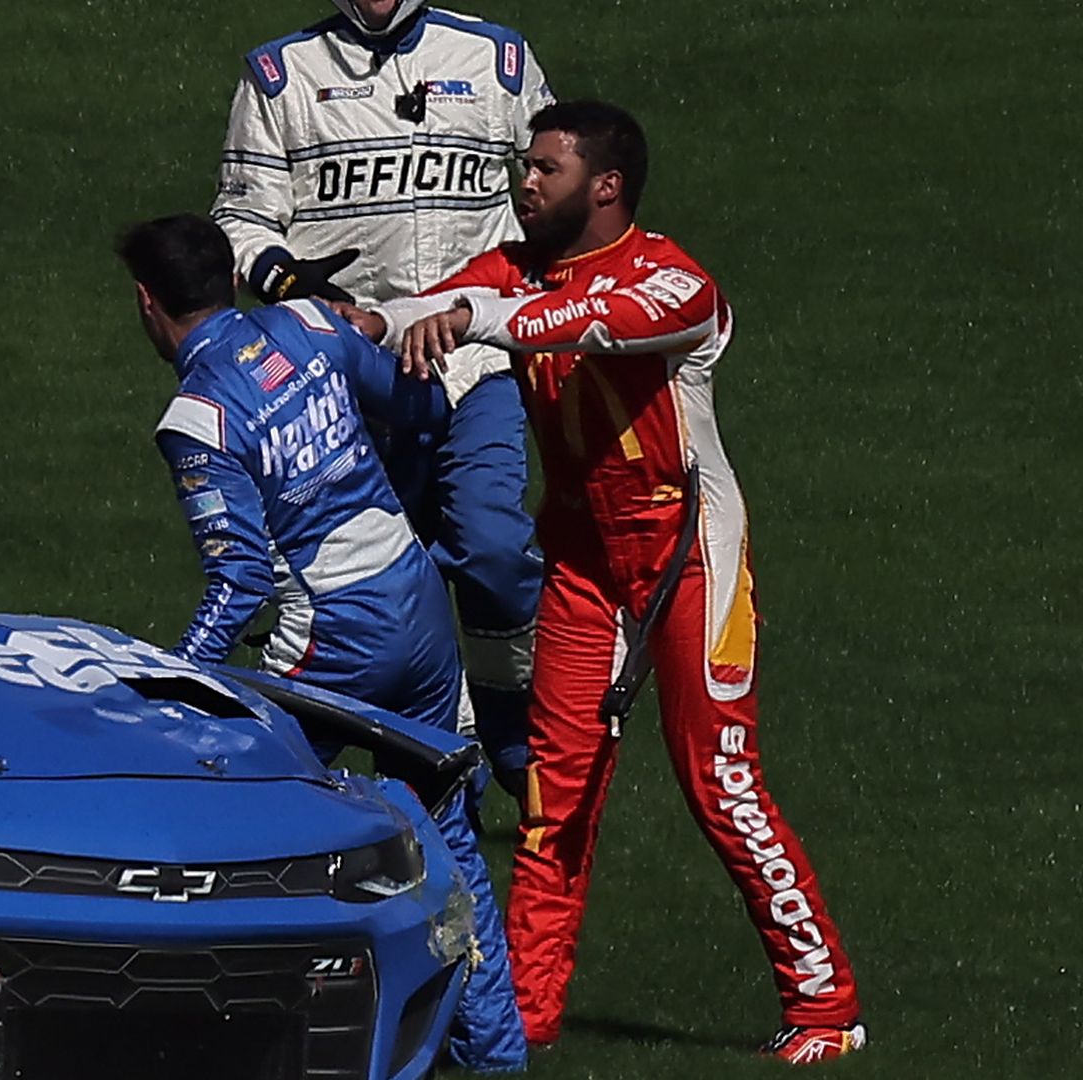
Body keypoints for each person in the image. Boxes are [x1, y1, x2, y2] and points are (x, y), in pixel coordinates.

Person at [348, 101, 868, 1063]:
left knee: (722, 788)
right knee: (555, 802)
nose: (526, 183)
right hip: (584, 564)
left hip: (688, 560)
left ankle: (826, 1004)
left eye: (546, 169)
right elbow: (441, 303)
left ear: (607, 185)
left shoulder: (674, 284)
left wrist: (472, 319)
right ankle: (528, 1016)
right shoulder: (515, 270)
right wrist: (377, 320)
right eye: (526, 167)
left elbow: (578, 324)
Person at [114, 213, 528, 1072]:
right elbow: (416, 403)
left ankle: (245, 1036)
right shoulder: (310, 323)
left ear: (148, 305)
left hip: (330, 640)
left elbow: (239, 583)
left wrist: (176, 680)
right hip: (416, 606)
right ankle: (493, 1052)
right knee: (451, 836)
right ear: (230, 278)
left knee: (247, 827)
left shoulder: (196, 419)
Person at [211, 0, 552, 799]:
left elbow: (553, 184)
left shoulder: (498, 59)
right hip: (350, 378)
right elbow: (239, 219)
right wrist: (290, 285)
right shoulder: (279, 75)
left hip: (473, 361)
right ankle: (298, 778)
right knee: (361, 587)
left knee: (496, 550)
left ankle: (509, 734)